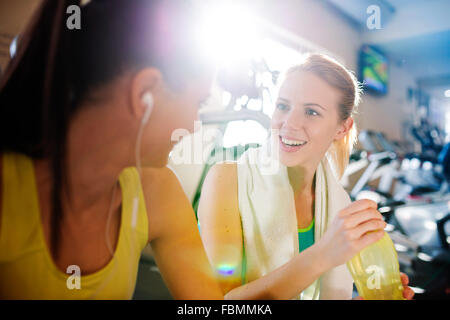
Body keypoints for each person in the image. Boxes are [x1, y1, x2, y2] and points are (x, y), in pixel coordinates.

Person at [0, 0, 223, 299]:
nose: (195, 125)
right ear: (144, 94)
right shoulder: (7, 188)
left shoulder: (158, 195)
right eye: (198, 103)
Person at [198, 54, 415, 300]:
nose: (289, 123)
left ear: (341, 128)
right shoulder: (227, 179)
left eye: (311, 112)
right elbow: (220, 301)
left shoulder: (339, 202)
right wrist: (322, 255)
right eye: (283, 106)